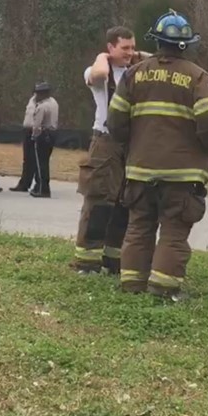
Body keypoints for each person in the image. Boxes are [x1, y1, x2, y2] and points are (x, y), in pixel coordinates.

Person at [106, 9, 208, 300]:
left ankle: (132, 285)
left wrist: (133, 145)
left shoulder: (134, 74)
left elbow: (116, 121)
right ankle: (163, 289)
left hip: (140, 170)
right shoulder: (198, 78)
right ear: (188, 44)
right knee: (173, 231)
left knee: (138, 228)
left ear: (157, 41)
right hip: (183, 174)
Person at [71, 26, 149, 275]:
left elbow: (157, 63)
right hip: (105, 142)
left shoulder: (136, 72)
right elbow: (99, 73)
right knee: (99, 199)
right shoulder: (98, 72)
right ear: (110, 47)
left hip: (131, 142)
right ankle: (87, 260)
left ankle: (114, 258)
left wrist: (136, 57)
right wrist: (102, 57)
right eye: (124, 48)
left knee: (124, 201)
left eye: (132, 47)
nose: (130, 52)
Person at [29, 82, 59, 198]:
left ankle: (43, 189)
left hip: (43, 134)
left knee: (41, 164)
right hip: (53, 134)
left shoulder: (41, 106)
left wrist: (34, 136)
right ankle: (42, 188)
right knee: (45, 161)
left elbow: (37, 125)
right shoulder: (54, 103)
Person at [10, 90, 41, 193]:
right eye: (35, 92)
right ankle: (24, 183)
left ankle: (38, 184)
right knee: (27, 159)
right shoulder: (31, 101)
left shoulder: (43, 103)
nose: (36, 94)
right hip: (27, 130)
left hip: (35, 131)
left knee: (35, 159)